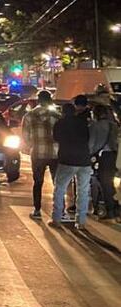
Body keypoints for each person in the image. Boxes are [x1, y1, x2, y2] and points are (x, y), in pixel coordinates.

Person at [51, 97, 93, 229]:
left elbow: (56, 138)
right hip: (84, 160)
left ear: (63, 112)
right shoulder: (82, 123)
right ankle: (81, 221)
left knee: (60, 189)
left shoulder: (60, 123)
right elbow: (87, 138)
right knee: (83, 191)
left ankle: (56, 218)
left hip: (67, 160)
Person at [21, 91, 60, 219]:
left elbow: (25, 137)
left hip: (38, 153)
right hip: (56, 153)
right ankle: (60, 211)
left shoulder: (29, 116)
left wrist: (31, 145)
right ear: (50, 100)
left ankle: (37, 210)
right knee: (57, 183)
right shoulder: (58, 115)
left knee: (38, 182)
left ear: (38, 100)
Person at [90, 103, 119, 220]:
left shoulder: (94, 126)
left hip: (101, 157)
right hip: (113, 156)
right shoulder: (114, 125)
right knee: (110, 183)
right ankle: (114, 206)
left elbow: (91, 144)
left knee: (103, 183)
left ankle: (108, 209)